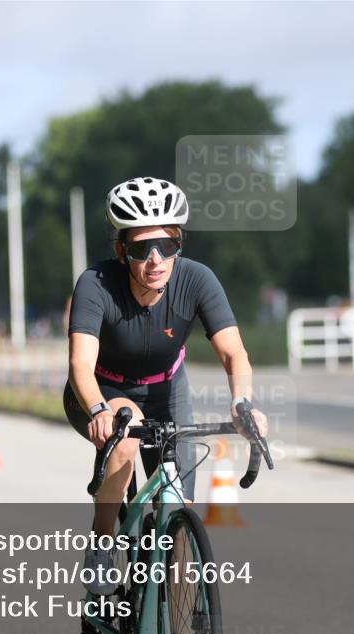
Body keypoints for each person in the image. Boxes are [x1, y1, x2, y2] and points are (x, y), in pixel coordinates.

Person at [62, 176, 268, 595]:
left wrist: (242, 402)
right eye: (141, 249)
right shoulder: (95, 284)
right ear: (122, 251)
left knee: (175, 510)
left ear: (180, 244)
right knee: (125, 433)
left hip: (166, 388)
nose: (156, 259)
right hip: (101, 390)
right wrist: (100, 409)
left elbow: (234, 353)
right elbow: (80, 364)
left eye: (167, 246)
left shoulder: (198, 280)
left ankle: (180, 630)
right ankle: (102, 545)